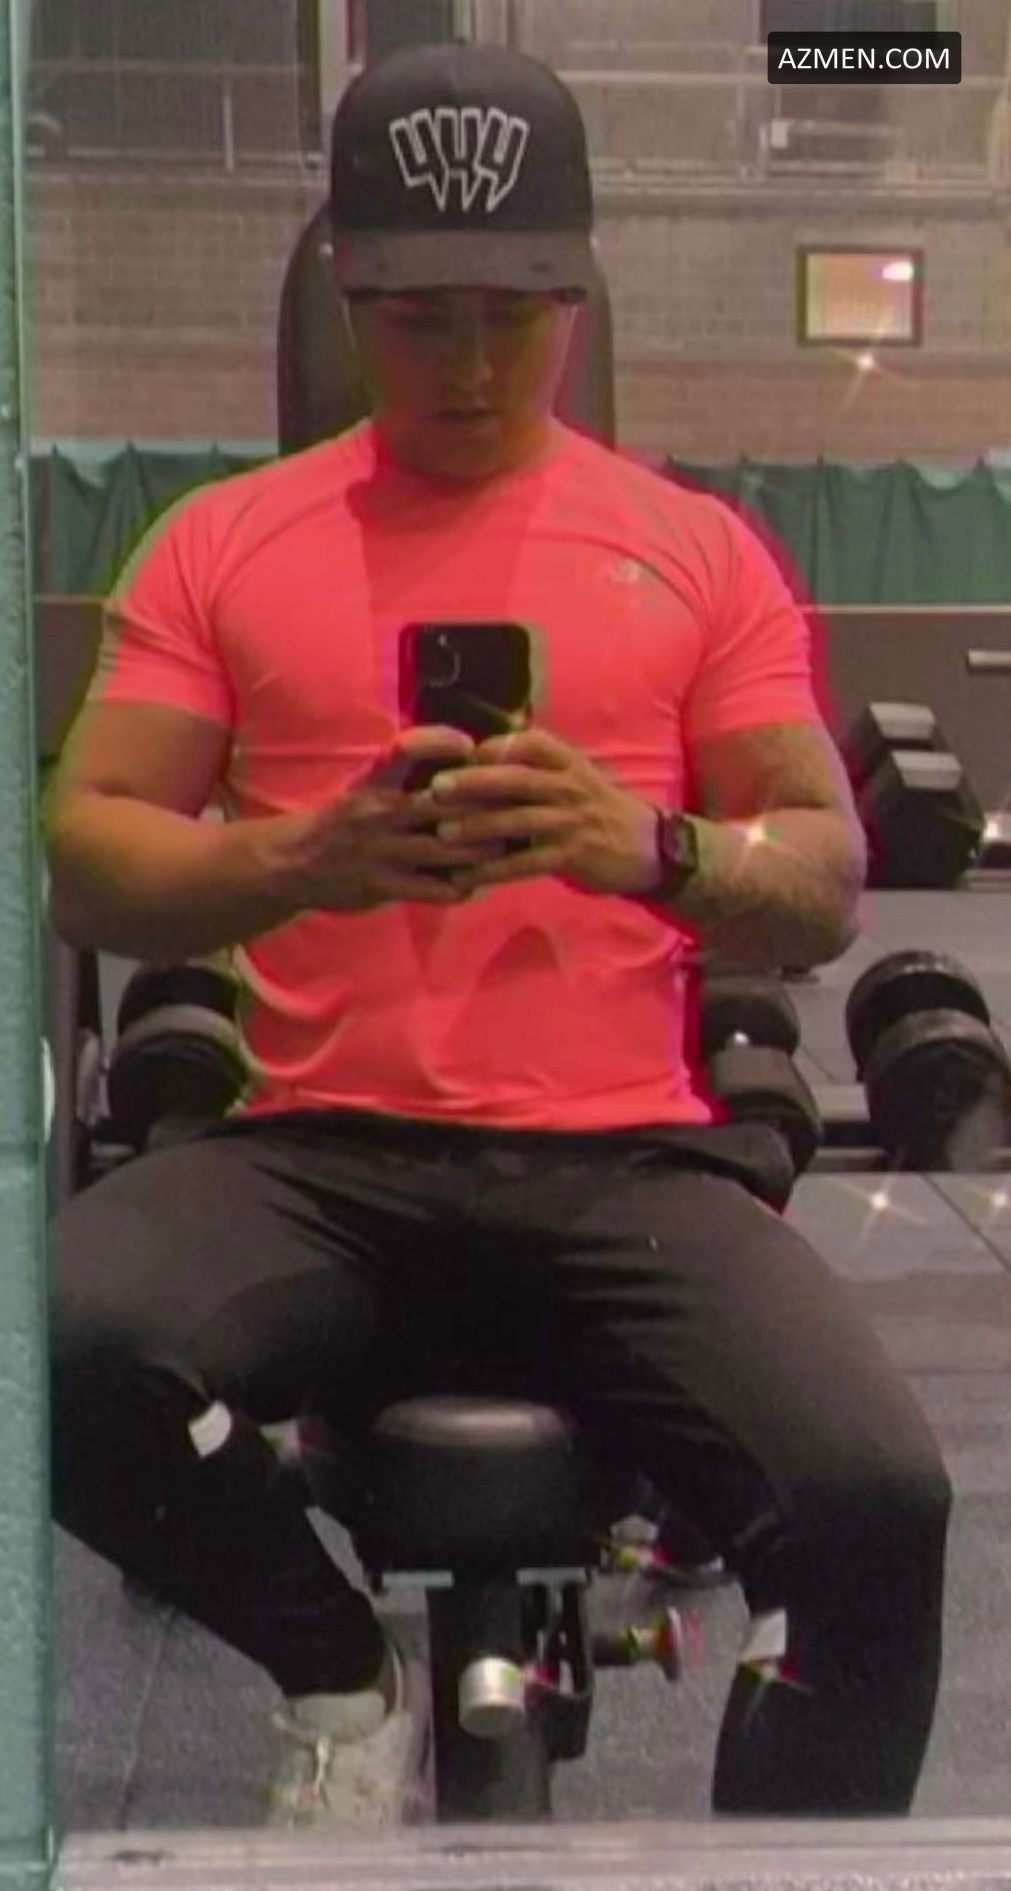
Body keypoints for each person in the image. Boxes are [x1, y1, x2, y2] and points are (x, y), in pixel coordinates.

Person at [45, 40, 951, 1832]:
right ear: (347, 297)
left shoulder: (696, 551)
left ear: (576, 299)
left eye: (511, 316)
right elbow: (86, 854)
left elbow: (823, 874)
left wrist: (650, 845)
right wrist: (306, 858)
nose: (466, 366)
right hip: (318, 1159)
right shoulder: (220, 544)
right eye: (418, 319)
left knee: (878, 1507)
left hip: (624, 1169)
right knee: (42, 1354)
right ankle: (339, 1679)